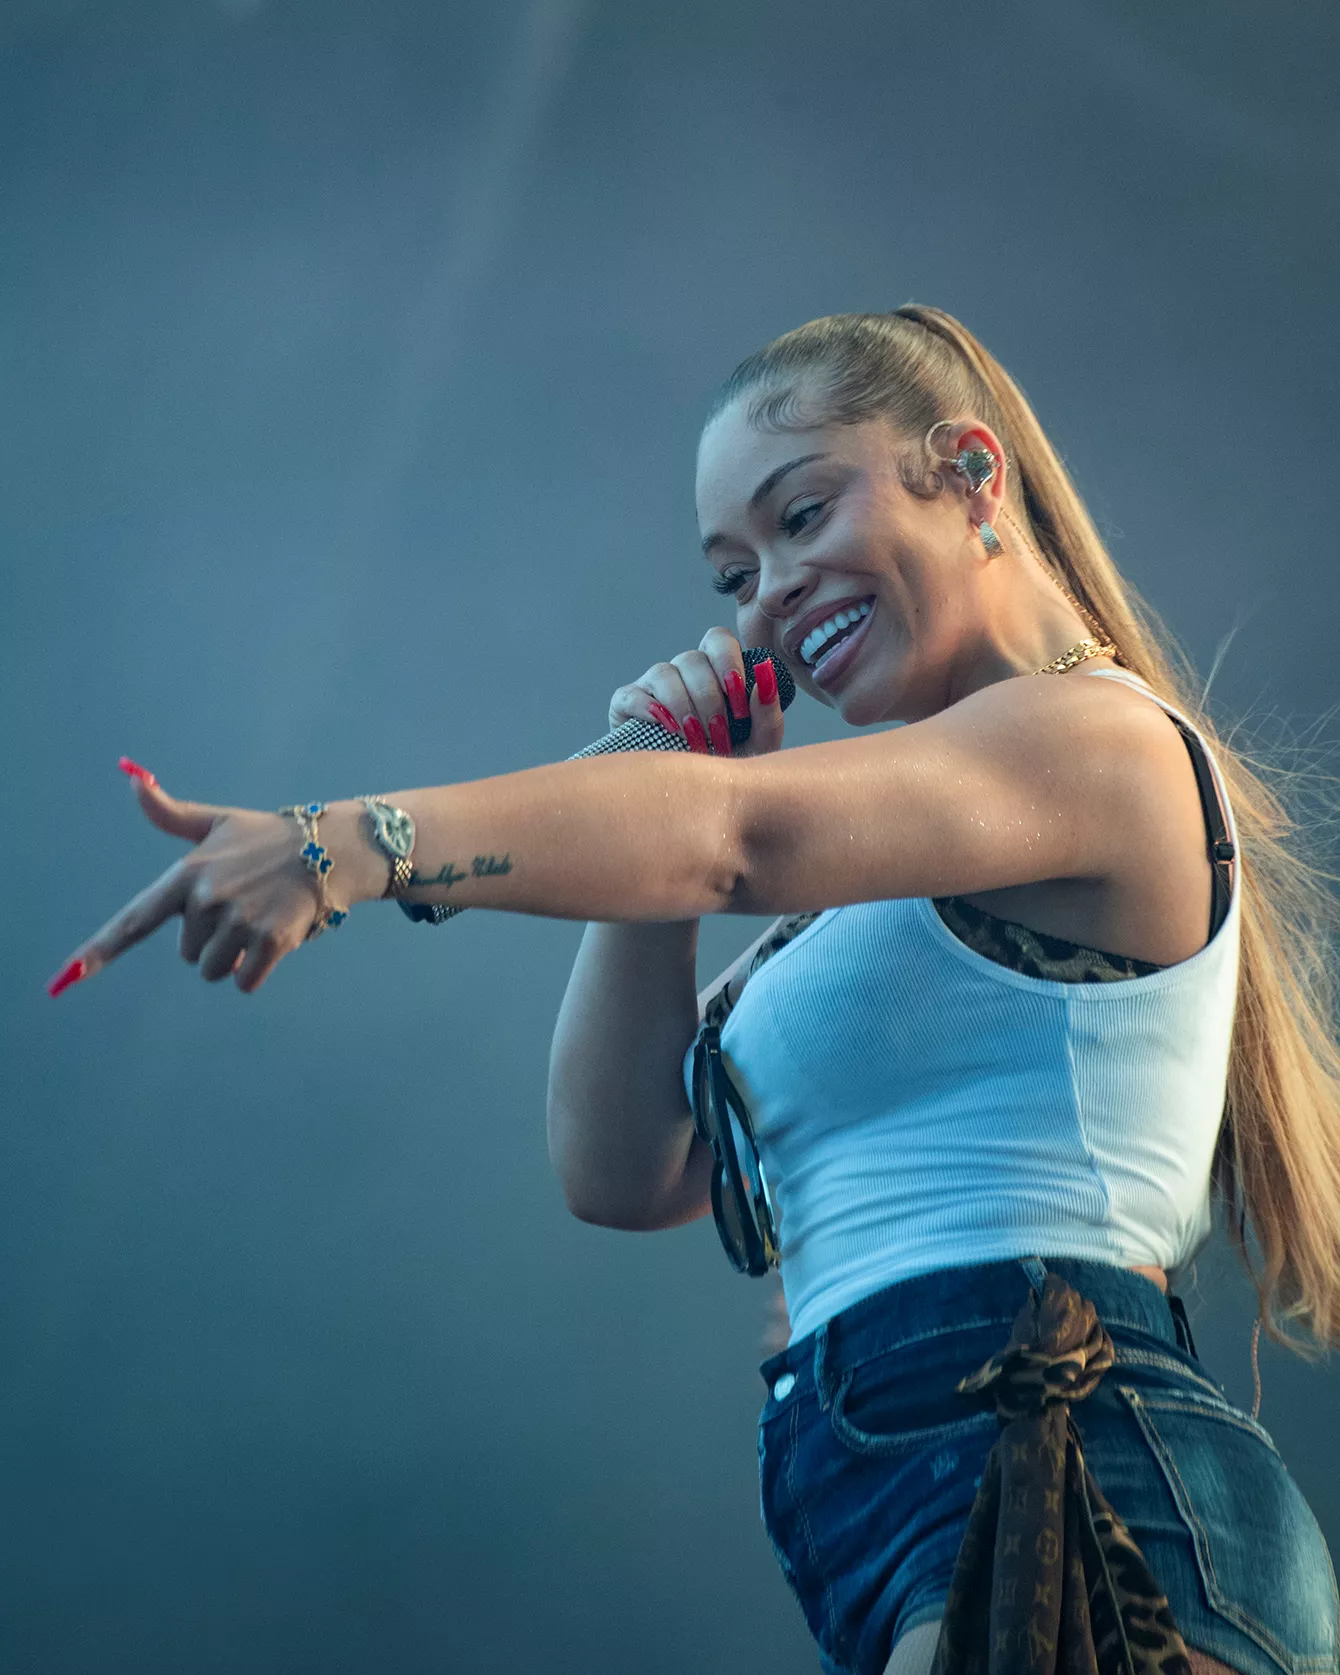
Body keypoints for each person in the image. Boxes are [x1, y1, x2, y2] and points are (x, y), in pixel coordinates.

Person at [50, 307, 1340, 1675]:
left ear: (970, 472)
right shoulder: (893, 889)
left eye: (802, 515)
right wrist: (653, 780)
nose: (766, 594)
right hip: (920, 1500)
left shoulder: (1096, 739)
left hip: (1077, 1477)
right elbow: (627, 1164)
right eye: (736, 572)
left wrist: (351, 843)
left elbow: (733, 839)